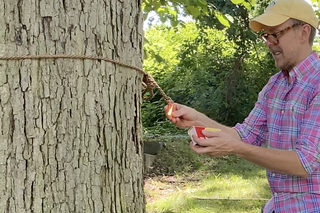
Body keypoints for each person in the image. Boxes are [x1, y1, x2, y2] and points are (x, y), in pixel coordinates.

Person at [165, 0, 320, 212]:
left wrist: (237, 149)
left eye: (276, 34)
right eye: (266, 35)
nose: (269, 42)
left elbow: (304, 163)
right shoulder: (274, 85)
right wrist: (197, 119)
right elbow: (244, 136)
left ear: (303, 32)